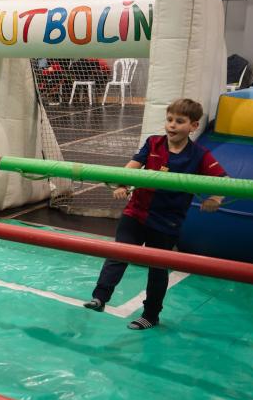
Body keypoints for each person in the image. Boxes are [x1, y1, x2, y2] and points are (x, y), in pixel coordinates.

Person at [83, 98, 226, 330]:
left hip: (166, 220)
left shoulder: (199, 154)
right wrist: (122, 184)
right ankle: (100, 297)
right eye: (169, 120)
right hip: (136, 212)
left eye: (179, 121)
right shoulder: (153, 143)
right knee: (118, 254)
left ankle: (151, 315)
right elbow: (133, 166)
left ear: (194, 126)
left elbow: (223, 179)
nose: (172, 125)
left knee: (157, 268)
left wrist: (215, 199)